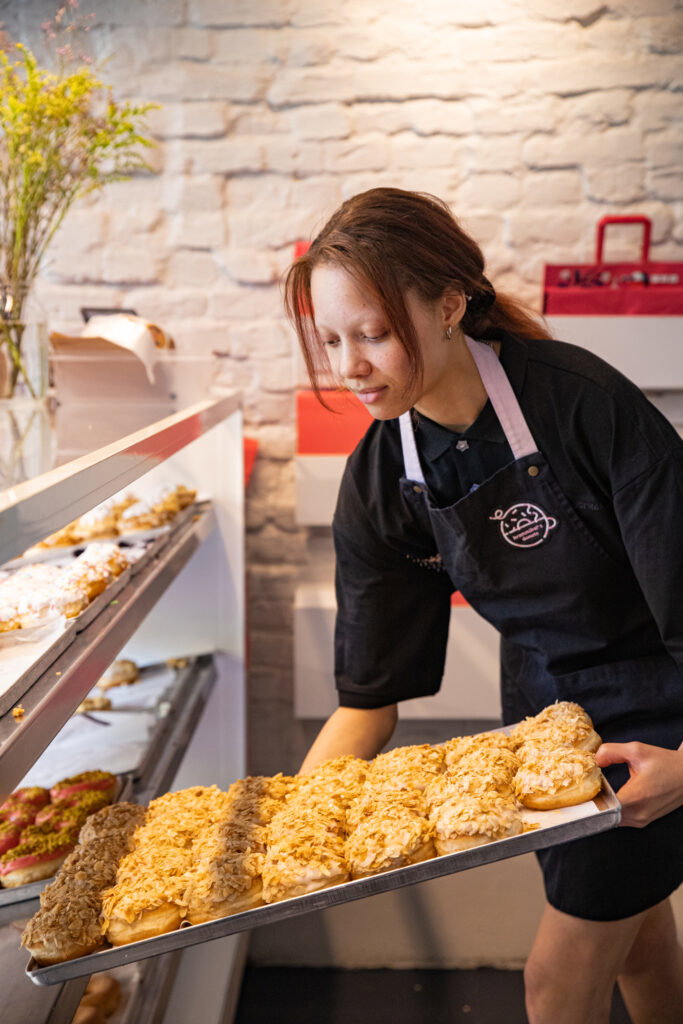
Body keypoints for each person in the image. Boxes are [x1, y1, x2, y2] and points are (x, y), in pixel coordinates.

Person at [284, 187, 683, 1024]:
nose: (349, 366)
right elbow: (367, 703)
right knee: (638, 945)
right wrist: (291, 830)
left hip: (654, 723)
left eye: (373, 333)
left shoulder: (581, 403)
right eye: (331, 340)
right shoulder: (379, 480)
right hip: (544, 727)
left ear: (448, 306)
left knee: (554, 983)